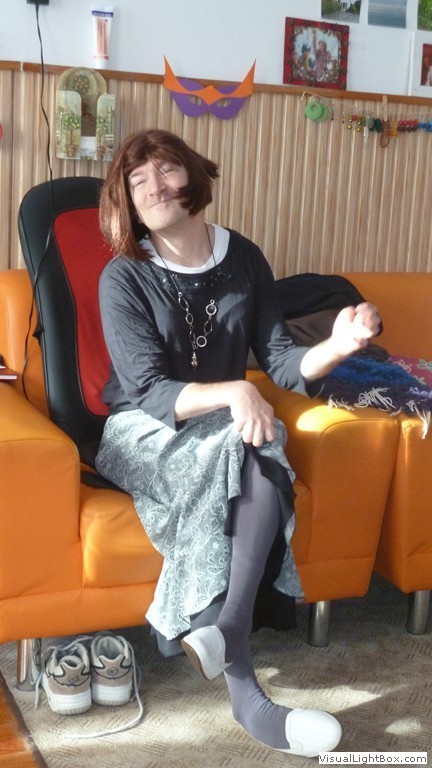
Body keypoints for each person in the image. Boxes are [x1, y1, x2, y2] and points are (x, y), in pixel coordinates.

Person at [96, 129, 381, 757]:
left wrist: (339, 344)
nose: (154, 187)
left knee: (255, 439)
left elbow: (281, 361)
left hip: (223, 429)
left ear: (194, 177)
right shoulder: (123, 276)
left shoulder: (244, 257)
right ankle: (246, 689)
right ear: (128, 204)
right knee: (249, 438)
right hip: (140, 430)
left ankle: (227, 638)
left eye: (165, 170)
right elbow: (147, 391)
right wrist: (234, 392)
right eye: (137, 182)